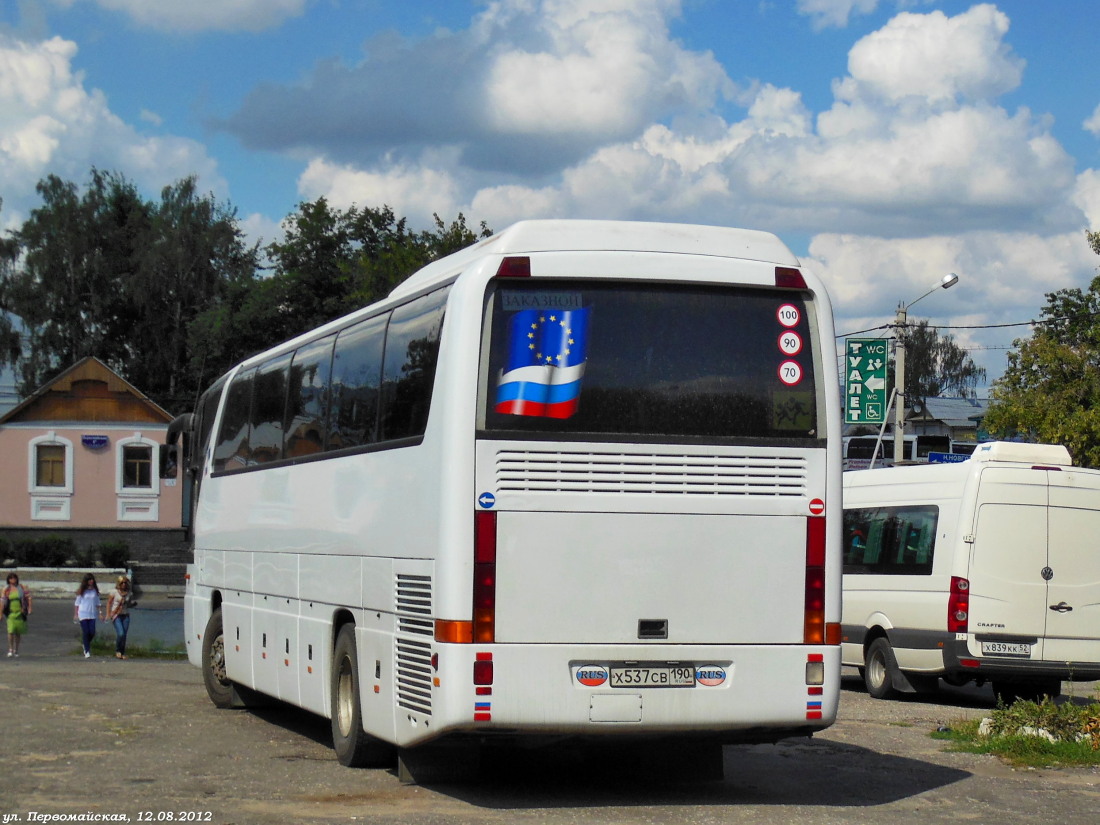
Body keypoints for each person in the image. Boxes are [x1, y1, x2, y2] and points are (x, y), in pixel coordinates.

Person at [73, 573, 104, 658]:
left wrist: (100, 613)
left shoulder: (95, 591)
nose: (91, 581)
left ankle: (85, 643)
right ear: (86, 581)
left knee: (92, 632)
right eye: (89, 580)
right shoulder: (82, 591)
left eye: (92, 579)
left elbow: (98, 603)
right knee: (86, 631)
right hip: (83, 613)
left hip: (92, 614)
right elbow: (77, 603)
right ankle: (87, 651)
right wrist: (76, 614)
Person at [3, 572, 32, 657]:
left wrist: (29, 608)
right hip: (10, 612)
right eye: (11, 578)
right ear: (8, 580)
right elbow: (3, 600)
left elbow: (28, 597)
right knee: (10, 631)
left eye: (14, 578)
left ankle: (16, 649)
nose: (13, 580)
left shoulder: (22, 587)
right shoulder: (6, 589)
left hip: (20, 612)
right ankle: (10, 649)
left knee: (18, 632)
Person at [106, 575, 133, 660]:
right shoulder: (114, 592)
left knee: (124, 635)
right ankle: (117, 650)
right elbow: (109, 603)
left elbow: (129, 604)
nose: (124, 584)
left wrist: (132, 604)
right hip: (116, 615)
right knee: (120, 633)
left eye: (125, 583)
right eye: (122, 583)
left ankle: (122, 652)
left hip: (125, 615)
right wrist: (108, 613)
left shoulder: (129, 593)